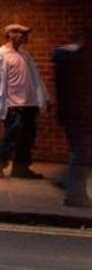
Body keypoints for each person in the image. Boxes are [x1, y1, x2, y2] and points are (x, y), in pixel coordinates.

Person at [0, 22, 48, 178]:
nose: (25, 37)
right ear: (11, 35)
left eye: (25, 34)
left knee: (27, 138)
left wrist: (44, 97)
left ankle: (21, 169)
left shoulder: (25, 55)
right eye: (22, 34)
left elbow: (36, 78)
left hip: (30, 103)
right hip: (13, 104)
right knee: (10, 137)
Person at [54, 21, 89, 208]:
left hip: (72, 113)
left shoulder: (66, 57)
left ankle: (65, 179)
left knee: (82, 152)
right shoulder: (76, 59)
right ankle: (75, 195)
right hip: (79, 115)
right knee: (81, 152)